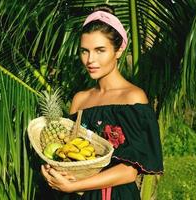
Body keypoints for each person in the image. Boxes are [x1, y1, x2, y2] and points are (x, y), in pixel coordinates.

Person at [41, 5, 163, 200]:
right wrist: (52, 170)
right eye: (84, 51)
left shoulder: (133, 98)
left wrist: (75, 186)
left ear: (119, 49)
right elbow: (68, 152)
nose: (90, 60)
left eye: (100, 50)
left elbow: (129, 171)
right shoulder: (80, 99)